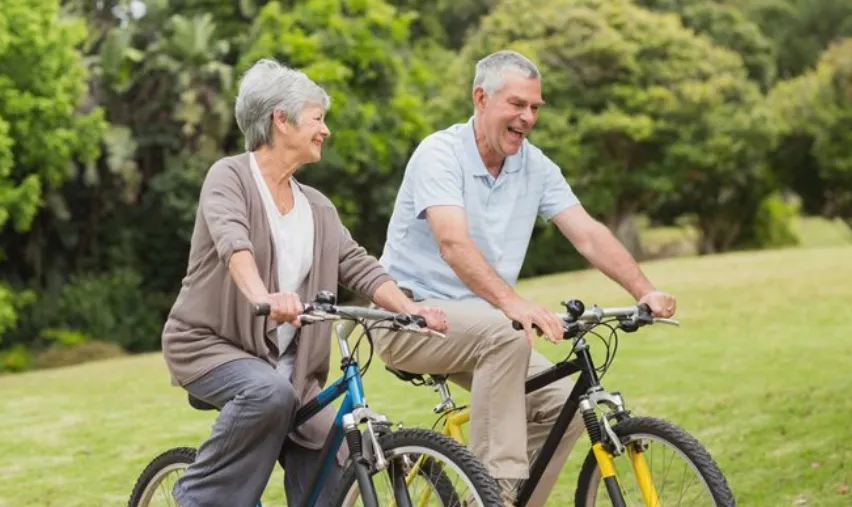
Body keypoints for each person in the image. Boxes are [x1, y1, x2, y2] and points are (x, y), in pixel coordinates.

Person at [373, 50, 678, 506]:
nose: (528, 117)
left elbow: (589, 234)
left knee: (564, 404)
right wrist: (512, 304)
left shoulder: (534, 166)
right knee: (506, 331)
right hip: (407, 318)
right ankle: (491, 493)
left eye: (535, 107)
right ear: (481, 98)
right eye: (517, 104)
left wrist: (644, 290)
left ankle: (505, 501)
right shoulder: (440, 154)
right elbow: (452, 244)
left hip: (479, 328)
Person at [160, 58, 448, 507]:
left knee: (332, 460)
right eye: (318, 118)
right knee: (267, 393)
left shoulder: (317, 206)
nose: (325, 131)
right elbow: (233, 244)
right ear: (280, 119)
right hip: (210, 346)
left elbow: (357, 264)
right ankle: (196, 497)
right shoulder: (229, 178)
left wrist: (407, 308)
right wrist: (262, 297)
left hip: (295, 373)